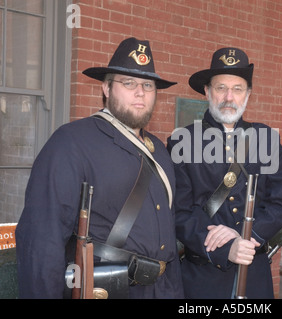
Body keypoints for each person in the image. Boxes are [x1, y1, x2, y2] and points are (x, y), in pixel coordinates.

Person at [15, 37, 184, 298]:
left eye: (148, 85)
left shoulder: (159, 151)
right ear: (106, 88)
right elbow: (41, 241)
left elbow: (168, 241)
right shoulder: (71, 142)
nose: (140, 92)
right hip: (107, 291)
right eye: (128, 83)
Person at [166, 47, 282, 298]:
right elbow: (179, 213)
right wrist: (225, 248)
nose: (228, 97)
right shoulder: (181, 142)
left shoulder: (266, 140)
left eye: (237, 89)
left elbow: (281, 205)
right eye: (220, 87)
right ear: (207, 91)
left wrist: (243, 234)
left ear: (248, 94)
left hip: (254, 271)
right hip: (202, 275)